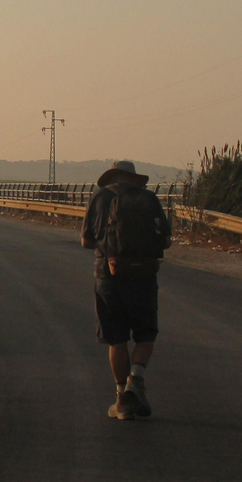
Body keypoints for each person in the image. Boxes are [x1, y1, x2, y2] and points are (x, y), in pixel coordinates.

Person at [81, 160, 171, 420]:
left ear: (112, 177)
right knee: (145, 334)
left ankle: (122, 397)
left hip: (107, 276)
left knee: (116, 339)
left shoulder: (99, 198)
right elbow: (166, 240)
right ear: (134, 179)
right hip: (143, 275)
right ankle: (137, 379)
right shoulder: (149, 199)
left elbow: (86, 240)